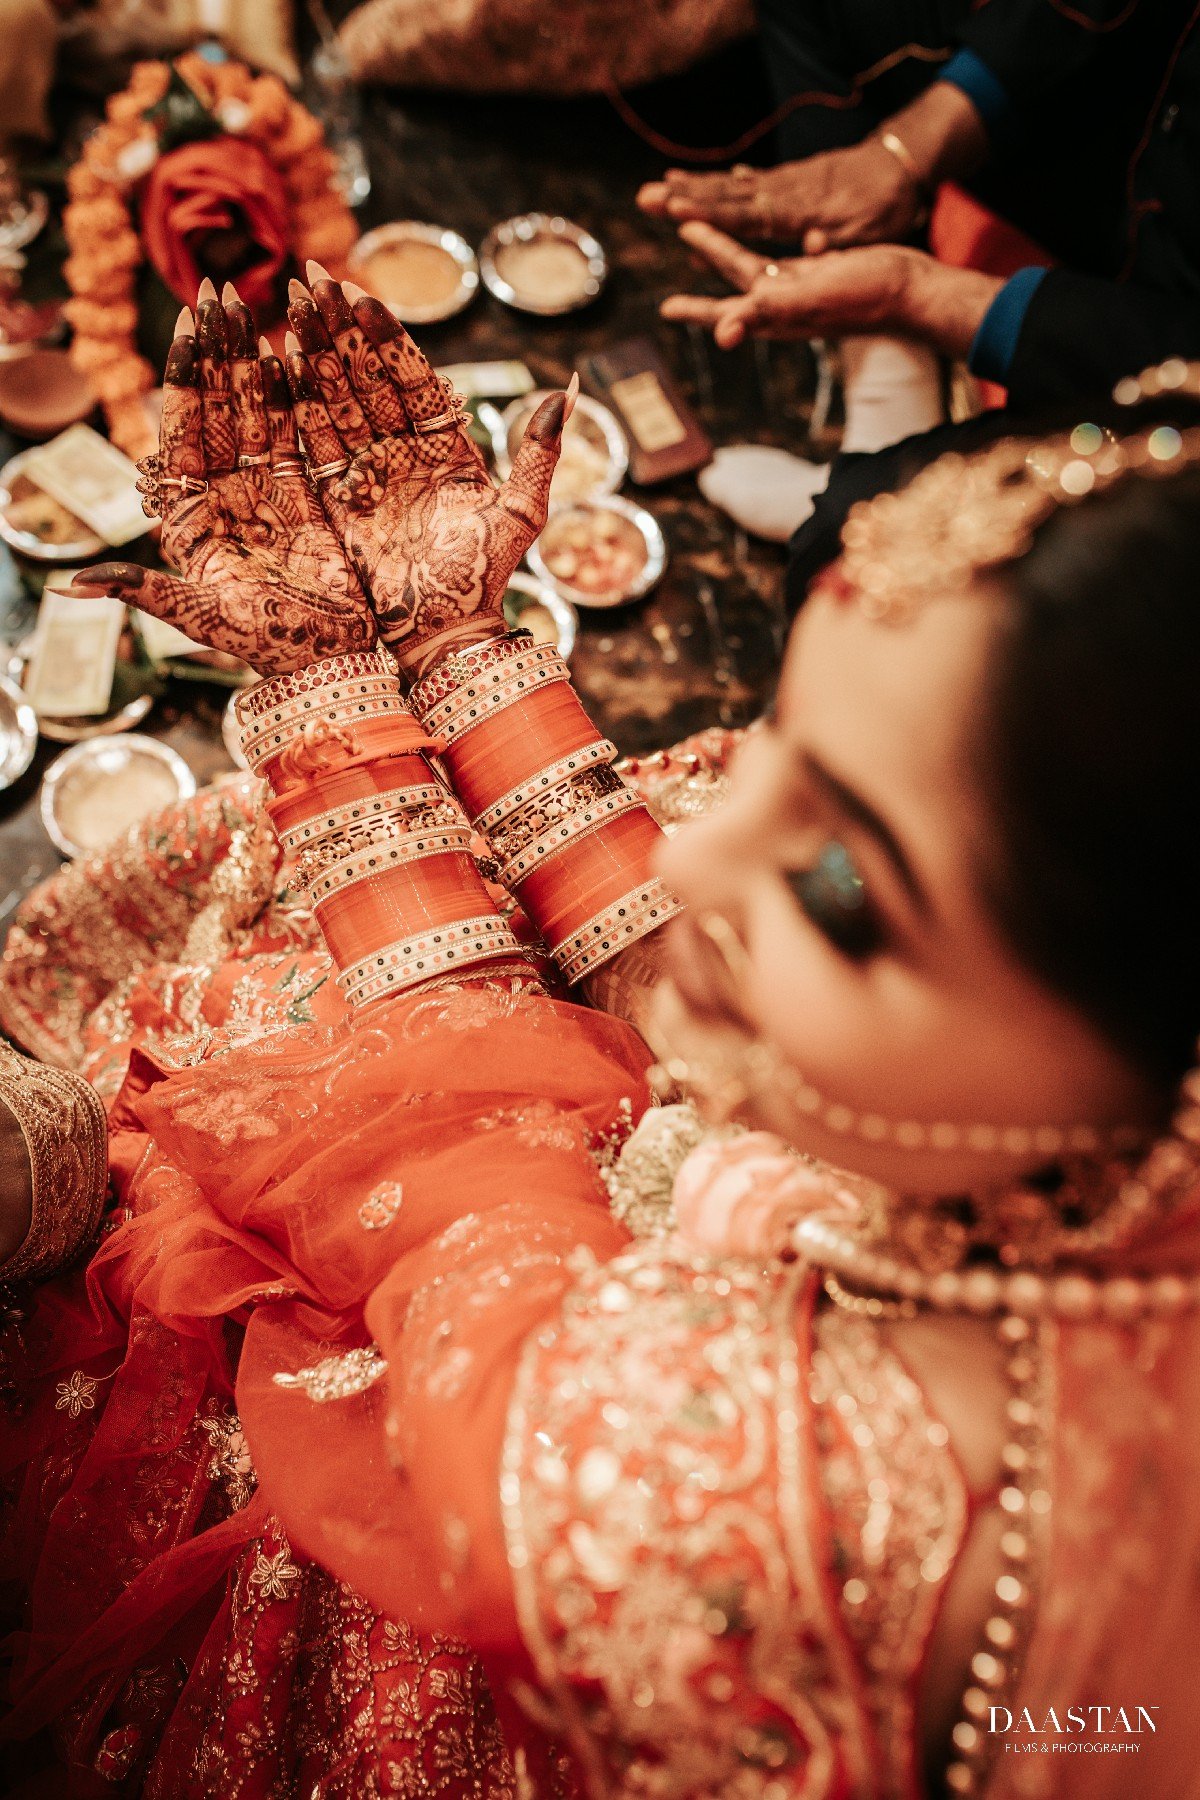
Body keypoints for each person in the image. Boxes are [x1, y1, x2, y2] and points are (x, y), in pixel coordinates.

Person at [2, 274, 1199, 1799]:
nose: (703, 852)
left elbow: (458, 1202)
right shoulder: (1070, 1135)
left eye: (841, 885)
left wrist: (344, 726)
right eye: (779, 749)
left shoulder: (751, 1501)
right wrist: (460, 654)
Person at [638, 0, 1200, 410]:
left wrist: (918, 296)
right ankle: (878, 351)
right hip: (1126, 108)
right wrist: (903, 153)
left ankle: (888, 405)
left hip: (1151, 329)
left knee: (853, 522)